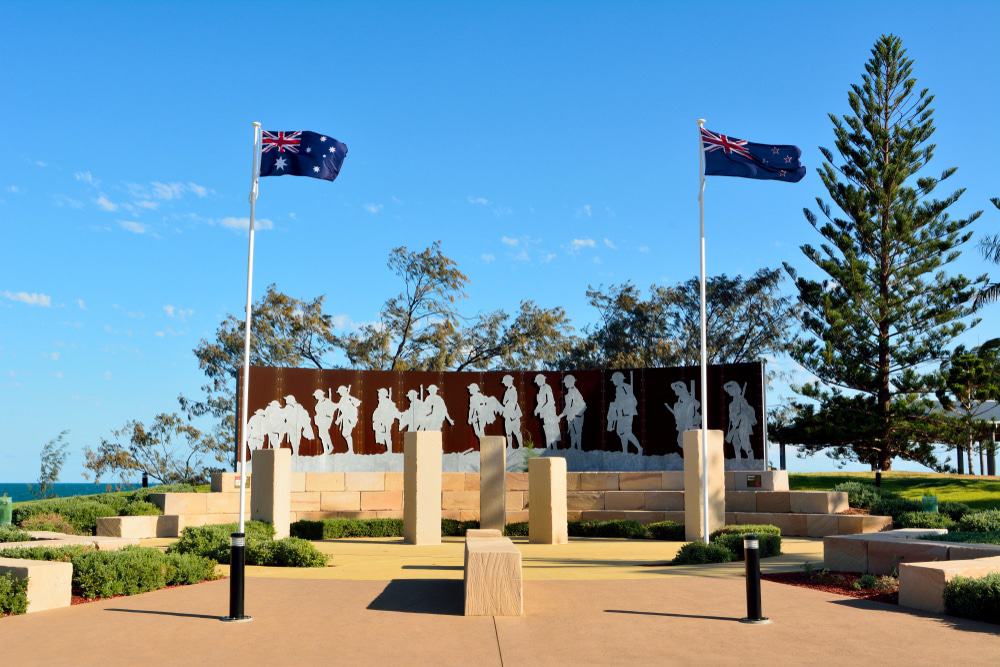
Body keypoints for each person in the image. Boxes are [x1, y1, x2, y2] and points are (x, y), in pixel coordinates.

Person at [607, 371, 642, 454]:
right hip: (620, 413)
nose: (614, 382)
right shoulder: (618, 388)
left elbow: (633, 400)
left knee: (627, 433)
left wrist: (622, 403)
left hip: (626, 413)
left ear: (618, 379)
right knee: (621, 432)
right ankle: (625, 451)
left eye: (614, 380)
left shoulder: (625, 387)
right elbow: (619, 400)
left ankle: (640, 448)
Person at [723, 381, 756, 459]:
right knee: (736, 444)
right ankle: (738, 462)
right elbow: (731, 416)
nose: (729, 392)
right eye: (728, 391)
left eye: (731, 390)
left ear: (736, 389)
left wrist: (743, 407)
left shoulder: (743, 401)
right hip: (735, 425)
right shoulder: (731, 405)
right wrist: (734, 417)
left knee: (745, 443)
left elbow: (749, 411)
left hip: (743, 424)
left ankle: (751, 458)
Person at [665, 380, 701, 452]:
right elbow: (678, 417)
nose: (676, 390)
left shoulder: (690, 400)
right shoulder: (677, 404)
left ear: (683, 389)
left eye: (677, 388)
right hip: (682, 428)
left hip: (692, 428)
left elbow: (697, 405)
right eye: (675, 389)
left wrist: (691, 401)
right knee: (682, 443)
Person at [558, 374, 586, 450]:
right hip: (571, 417)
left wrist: (575, 415)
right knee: (573, 433)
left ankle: (579, 449)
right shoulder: (570, 392)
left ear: (570, 382)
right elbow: (567, 407)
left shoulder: (575, 392)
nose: (565, 384)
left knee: (577, 433)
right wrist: (560, 416)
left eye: (566, 382)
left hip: (576, 417)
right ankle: (573, 448)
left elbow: (583, 405)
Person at [533, 373, 561, 448]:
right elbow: (541, 403)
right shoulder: (541, 389)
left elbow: (550, 401)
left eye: (538, 381)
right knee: (547, 431)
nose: (537, 383)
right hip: (545, 414)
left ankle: (554, 448)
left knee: (551, 431)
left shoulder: (547, 388)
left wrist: (540, 409)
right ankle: (549, 448)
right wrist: (536, 410)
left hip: (550, 412)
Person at [332, 385, 362, 454]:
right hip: (346, 418)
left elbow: (358, 403)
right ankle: (351, 450)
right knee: (345, 433)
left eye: (340, 392)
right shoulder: (343, 398)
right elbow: (339, 406)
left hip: (350, 418)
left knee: (346, 433)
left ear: (344, 391)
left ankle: (351, 451)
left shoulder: (348, 398)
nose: (339, 393)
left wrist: (339, 419)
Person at [500, 375, 523, 449]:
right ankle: (509, 445)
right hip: (507, 413)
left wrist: (512, 414)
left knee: (516, 431)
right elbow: (503, 401)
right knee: (508, 431)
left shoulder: (513, 390)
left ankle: (521, 446)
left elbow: (514, 402)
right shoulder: (507, 391)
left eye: (505, 382)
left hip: (513, 413)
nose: (504, 384)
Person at [313, 389, 336, 454]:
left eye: (316, 395)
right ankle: (328, 448)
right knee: (322, 434)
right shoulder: (318, 404)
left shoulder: (327, 401)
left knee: (323, 433)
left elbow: (333, 408)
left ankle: (328, 449)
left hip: (326, 420)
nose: (315, 396)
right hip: (320, 420)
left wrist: (328, 413)